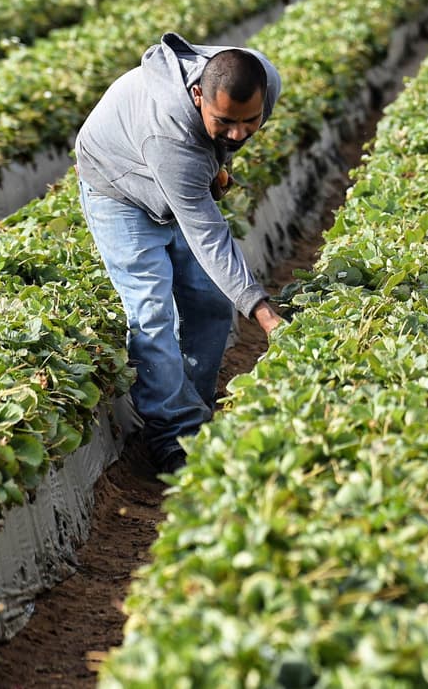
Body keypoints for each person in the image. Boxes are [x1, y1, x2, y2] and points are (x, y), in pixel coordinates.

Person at [75, 32, 286, 475]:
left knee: (210, 299)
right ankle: (173, 436)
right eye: (226, 121)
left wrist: (221, 159)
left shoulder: (264, 79)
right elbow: (210, 237)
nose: (239, 132)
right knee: (153, 311)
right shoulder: (168, 137)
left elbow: (223, 140)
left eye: (250, 121)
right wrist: (264, 313)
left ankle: (196, 410)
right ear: (196, 96)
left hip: (173, 171)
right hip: (118, 186)